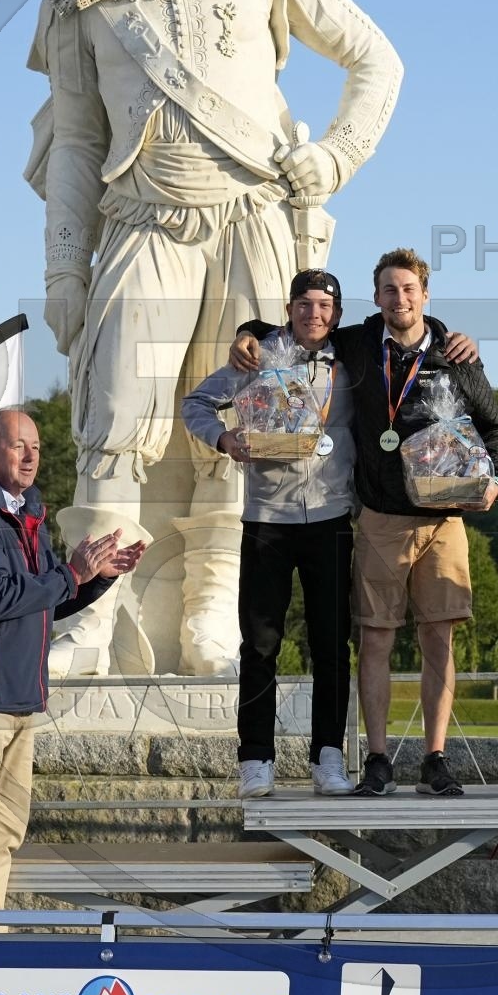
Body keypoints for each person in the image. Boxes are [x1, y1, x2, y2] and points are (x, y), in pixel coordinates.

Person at [28, 0, 405, 677]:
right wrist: (65, 269)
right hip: (142, 220)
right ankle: (93, 613)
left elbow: (377, 61)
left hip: (253, 220)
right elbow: (76, 144)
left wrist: (336, 156)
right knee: (114, 416)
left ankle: (213, 612)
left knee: (247, 418)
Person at [232, 249, 498, 798]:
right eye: (388, 290)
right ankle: (377, 759)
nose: (399, 299)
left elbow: (494, 426)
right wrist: (248, 332)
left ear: (425, 295)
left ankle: (435, 759)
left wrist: (496, 480)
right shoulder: (357, 344)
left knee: (439, 640)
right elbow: (303, 328)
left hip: (445, 518)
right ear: (376, 298)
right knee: (374, 640)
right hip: (380, 518)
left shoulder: (455, 355)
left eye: (408, 289)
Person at [0, 407, 143, 922]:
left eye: (36, 447)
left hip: (21, 698)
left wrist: (96, 577)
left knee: (2, 837)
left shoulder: (27, 512)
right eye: (17, 445)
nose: (30, 456)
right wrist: (70, 573)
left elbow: (44, 601)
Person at [182, 269, 360, 798]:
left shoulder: (352, 358)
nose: (314, 314)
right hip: (267, 518)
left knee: (331, 644)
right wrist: (224, 439)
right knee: (260, 644)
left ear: (337, 314)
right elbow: (195, 404)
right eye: (304, 304)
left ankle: (328, 757)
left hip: (331, 516)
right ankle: (255, 759)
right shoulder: (256, 356)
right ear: (289, 309)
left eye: (324, 305)